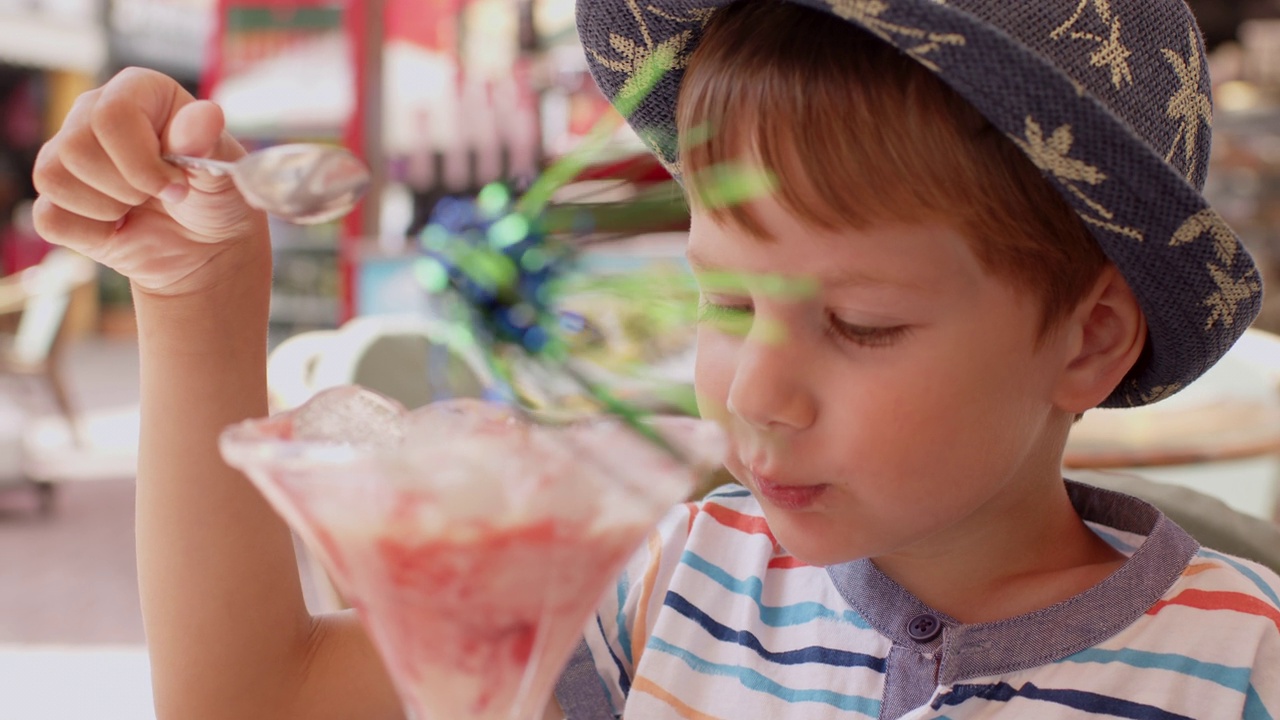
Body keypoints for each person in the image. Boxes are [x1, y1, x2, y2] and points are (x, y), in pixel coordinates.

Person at [29, 0, 1279, 719]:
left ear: (1089, 334)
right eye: (723, 302)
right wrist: (199, 296)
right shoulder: (660, 585)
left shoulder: (1243, 667)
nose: (752, 392)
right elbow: (256, 701)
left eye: (859, 325)